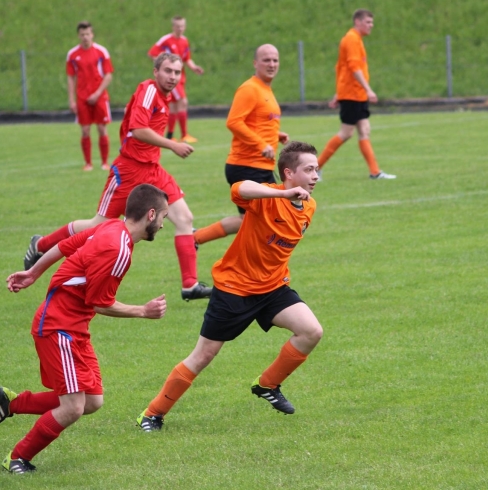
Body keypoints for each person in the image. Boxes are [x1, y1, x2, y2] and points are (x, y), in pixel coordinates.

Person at [0, 184, 170, 474]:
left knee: (92, 400)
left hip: (74, 327)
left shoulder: (111, 228)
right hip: (59, 328)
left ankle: (12, 403)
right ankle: (17, 458)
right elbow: (100, 303)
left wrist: (33, 272)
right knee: (72, 407)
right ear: (150, 214)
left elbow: (65, 244)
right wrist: (143, 311)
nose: (163, 224)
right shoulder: (117, 250)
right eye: (163, 217)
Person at [136, 141, 323, 431]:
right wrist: (284, 192)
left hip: (273, 288)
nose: (315, 176)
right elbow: (239, 188)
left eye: (317, 169)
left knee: (311, 331)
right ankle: (152, 414)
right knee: (204, 356)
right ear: (288, 173)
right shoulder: (268, 196)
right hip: (234, 289)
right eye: (309, 169)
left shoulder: (309, 205)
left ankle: (267, 385)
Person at [23, 53, 212, 301]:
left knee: (185, 218)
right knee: (97, 226)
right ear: (156, 72)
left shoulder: (165, 96)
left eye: (177, 72)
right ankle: (41, 246)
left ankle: (190, 285)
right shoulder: (148, 90)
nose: (173, 76)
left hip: (153, 169)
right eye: (168, 71)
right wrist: (172, 144)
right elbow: (138, 129)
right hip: (129, 170)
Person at [193, 44, 288, 246]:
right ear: (255, 63)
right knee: (265, 222)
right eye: (266, 60)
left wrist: (275, 135)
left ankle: (196, 237)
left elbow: (257, 121)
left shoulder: (266, 89)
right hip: (247, 166)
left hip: (261, 167)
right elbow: (234, 121)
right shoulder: (249, 89)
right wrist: (262, 143)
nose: (271, 64)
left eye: (275, 60)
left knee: (253, 221)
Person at [316, 9, 395, 180]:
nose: (371, 25)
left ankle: (375, 172)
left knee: (364, 130)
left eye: (371, 22)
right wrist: (368, 89)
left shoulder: (356, 39)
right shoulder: (351, 39)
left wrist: (339, 93)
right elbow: (353, 68)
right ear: (358, 22)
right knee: (346, 133)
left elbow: (340, 68)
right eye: (368, 22)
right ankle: (316, 167)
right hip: (352, 94)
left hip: (356, 94)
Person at [147, 16, 204, 143]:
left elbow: (186, 58)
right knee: (183, 102)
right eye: (178, 26)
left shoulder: (184, 41)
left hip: (180, 77)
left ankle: (170, 135)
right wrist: (164, 67)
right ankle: (184, 135)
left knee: (173, 106)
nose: (180, 28)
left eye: (182, 26)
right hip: (171, 78)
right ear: (173, 27)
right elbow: (152, 54)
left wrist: (194, 68)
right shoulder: (166, 40)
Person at [67, 21, 114, 171]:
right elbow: (70, 77)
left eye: (88, 34)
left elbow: (108, 75)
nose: (85, 37)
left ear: (92, 34)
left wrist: (97, 93)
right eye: (82, 35)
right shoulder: (73, 54)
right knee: (85, 130)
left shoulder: (101, 52)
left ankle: (104, 163)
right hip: (82, 97)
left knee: (101, 129)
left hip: (99, 96)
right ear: (78, 36)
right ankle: (88, 164)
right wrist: (72, 99)